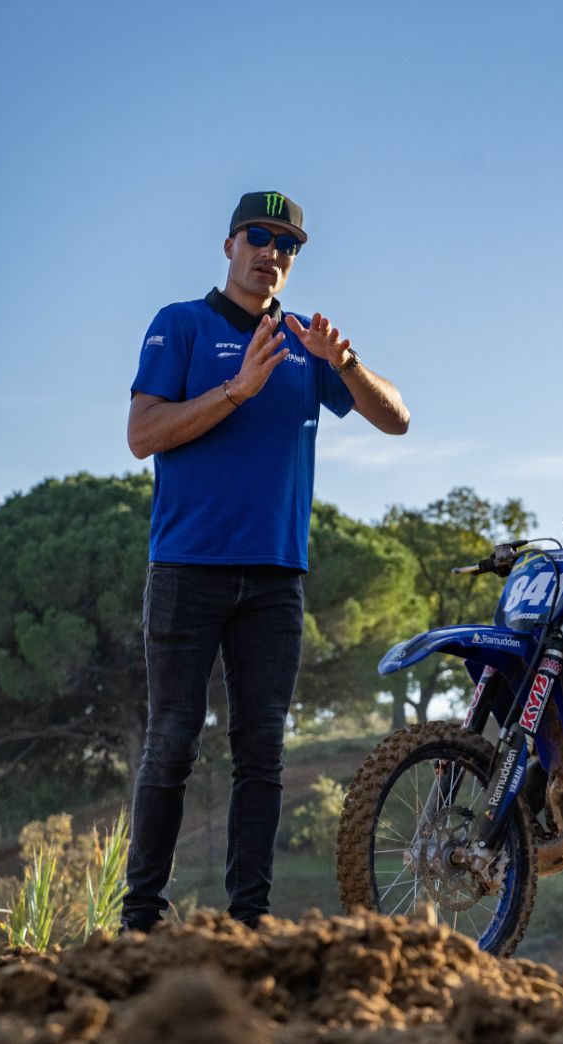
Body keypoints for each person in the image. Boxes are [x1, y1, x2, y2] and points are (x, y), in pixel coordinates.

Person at [123, 190, 410, 932]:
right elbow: (144, 433)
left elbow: (397, 419)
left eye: (287, 245)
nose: (271, 254)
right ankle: (140, 919)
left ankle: (248, 920)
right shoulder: (179, 324)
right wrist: (236, 390)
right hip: (186, 569)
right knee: (171, 741)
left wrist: (344, 364)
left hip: (277, 578)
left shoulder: (307, 342)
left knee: (262, 752)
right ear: (229, 245)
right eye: (259, 237)